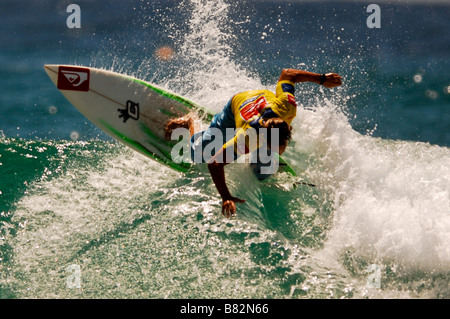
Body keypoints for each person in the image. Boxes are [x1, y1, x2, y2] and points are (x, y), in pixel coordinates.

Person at [165, 69, 342, 217]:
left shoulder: (287, 106)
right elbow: (215, 163)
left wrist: (322, 79)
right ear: (265, 140)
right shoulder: (248, 137)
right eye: (276, 148)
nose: (280, 151)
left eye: (281, 147)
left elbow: (288, 74)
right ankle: (189, 122)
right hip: (238, 104)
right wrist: (226, 196)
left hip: (262, 100)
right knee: (200, 154)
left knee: (263, 172)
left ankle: (259, 162)